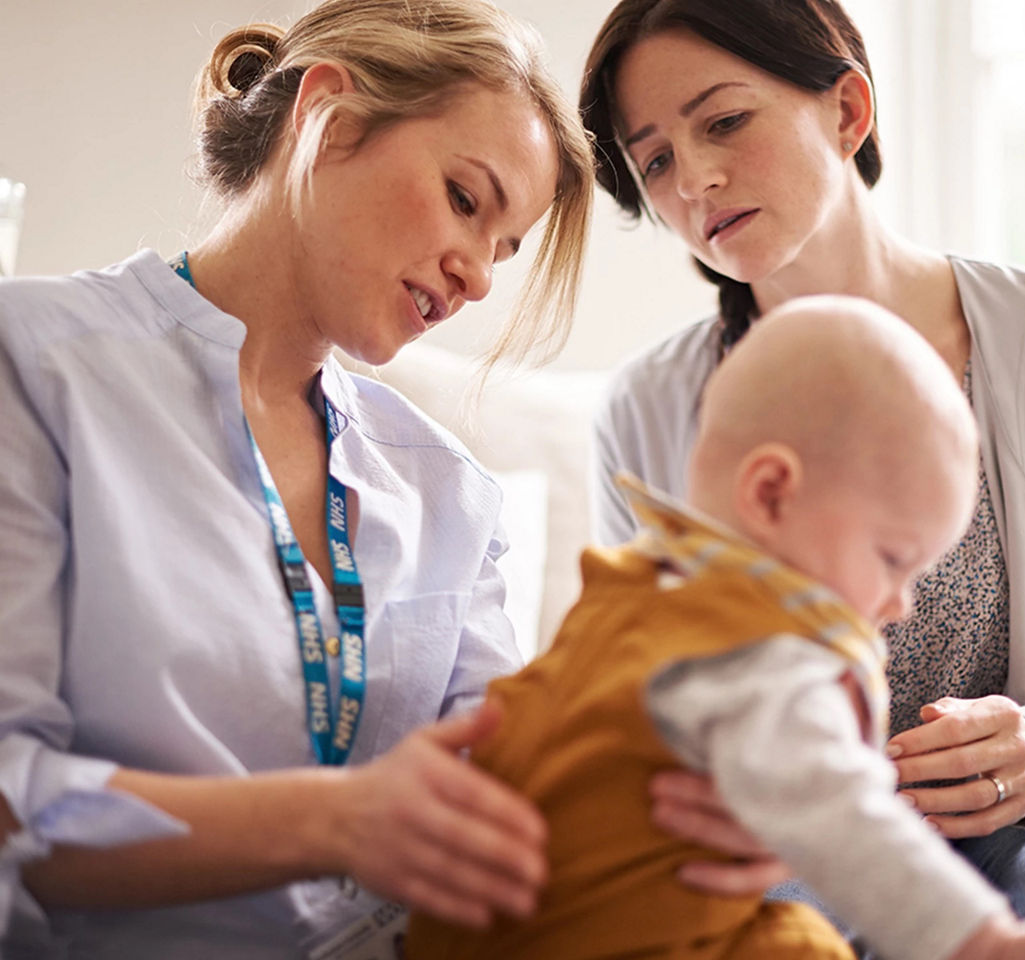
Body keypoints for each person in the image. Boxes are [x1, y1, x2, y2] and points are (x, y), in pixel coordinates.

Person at [578, 2, 1025, 958]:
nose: (697, 181)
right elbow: (656, 722)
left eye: (723, 122)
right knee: (794, 925)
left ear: (848, 109)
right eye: (657, 161)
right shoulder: (645, 410)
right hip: (806, 835)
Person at [0, 0, 594, 956]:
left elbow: (513, 789)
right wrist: (337, 821)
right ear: (329, 117)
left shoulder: (453, 495)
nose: (480, 276)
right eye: (466, 200)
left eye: (504, 249)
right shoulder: (31, 365)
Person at [403, 295, 1025, 960]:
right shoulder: (759, 655)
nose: (900, 602)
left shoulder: (640, 592)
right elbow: (848, 824)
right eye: (892, 559)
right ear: (772, 492)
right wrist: (985, 939)